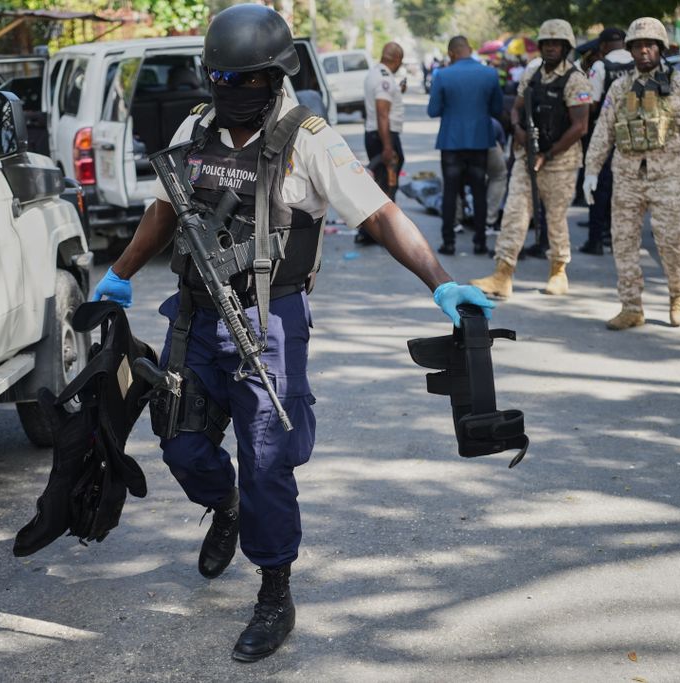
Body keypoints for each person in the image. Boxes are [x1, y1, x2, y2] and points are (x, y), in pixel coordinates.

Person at [90, 4, 495, 663]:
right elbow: (165, 210)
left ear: (272, 76)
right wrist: (121, 273)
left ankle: (275, 588)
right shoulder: (198, 124)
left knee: (269, 459)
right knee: (182, 445)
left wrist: (439, 282)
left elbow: (383, 214)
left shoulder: (309, 138)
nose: (227, 92)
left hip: (269, 321)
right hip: (194, 317)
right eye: (218, 78)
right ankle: (227, 505)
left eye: (241, 80)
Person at [584, 17, 680, 330]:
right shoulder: (620, 86)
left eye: (649, 45)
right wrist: (591, 170)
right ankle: (631, 306)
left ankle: (679, 294)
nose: (643, 51)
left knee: (670, 239)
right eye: (638, 46)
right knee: (623, 241)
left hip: (668, 174)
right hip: (626, 174)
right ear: (630, 49)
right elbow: (603, 131)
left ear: (660, 48)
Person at [471, 19, 591, 298]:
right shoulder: (533, 73)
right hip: (528, 157)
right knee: (514, 213)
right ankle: (502, 274)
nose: (550, 48)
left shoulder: (576, 79)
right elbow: (516, 107)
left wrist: (547, 155)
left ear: (565, 47)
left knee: (556, 219)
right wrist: (518, 128)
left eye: (556, 44)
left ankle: (558, 271)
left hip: (560, 162)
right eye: (546, 43)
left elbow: (579, 127)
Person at [428, 35, 503, 255]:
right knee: (479, 190)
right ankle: (480, 242)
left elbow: (433, 110)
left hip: (451, 142)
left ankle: (448, 242)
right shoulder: (489, 74)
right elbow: (497, 109)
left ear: (451, 53)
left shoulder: (442, 75)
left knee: (450, 192)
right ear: (469, 49)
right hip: (480, 141)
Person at [580, 26, 633, 256]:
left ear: (602, 46)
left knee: (598, 188)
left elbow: (591, 105)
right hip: (635, 136)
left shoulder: (601, 66)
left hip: (605, 136)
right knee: (627, 189)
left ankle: (596, 240)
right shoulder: (637, 63)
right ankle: (618, 237)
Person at [356, 41, 406, 245]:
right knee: (385, 186)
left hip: (377, 134)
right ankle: (375, 232)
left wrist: (398, 89)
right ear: (396, 59)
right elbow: (382, 113)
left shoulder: (376, 73)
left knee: (380, 183)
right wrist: (387, 146)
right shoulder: (384, 79)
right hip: (383, 135)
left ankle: (376, 231)